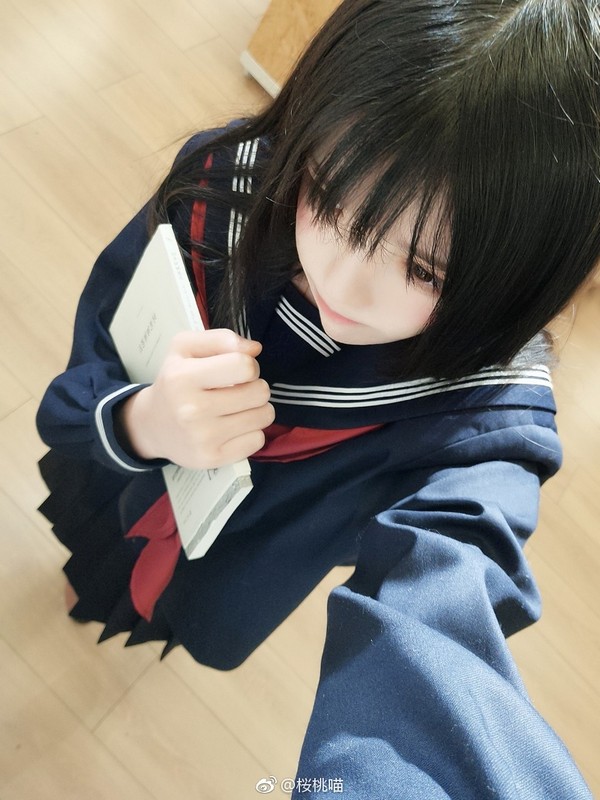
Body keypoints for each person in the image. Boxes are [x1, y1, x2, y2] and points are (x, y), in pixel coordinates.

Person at [36, 0, 599, 797]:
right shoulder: (225, 194)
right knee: (93, 557)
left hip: (228, 560)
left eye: (423, 269)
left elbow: (445, 613)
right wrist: (142, 419)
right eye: (331, 199)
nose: (341, 281)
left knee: (162, 607)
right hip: (125, 472)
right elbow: (102, 334)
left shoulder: (483, 422)